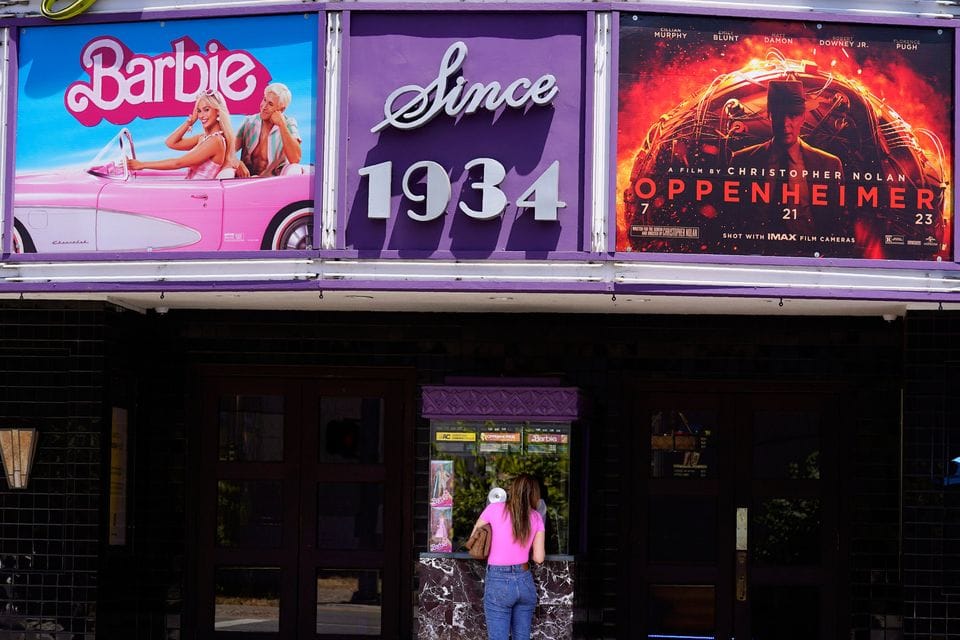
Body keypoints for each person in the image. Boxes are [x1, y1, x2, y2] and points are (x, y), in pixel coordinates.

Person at [731, 79, 843, 233]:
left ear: (803, 117)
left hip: (808, 253)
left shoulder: (829, 165)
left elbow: (835, 223)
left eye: (793, 115)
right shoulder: (741, 161)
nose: (785, 123)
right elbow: (734, 217)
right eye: (779, 115)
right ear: (770, 116)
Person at [471, 474, 546, 640]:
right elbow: (539, 558)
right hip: (525, 581)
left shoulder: (494, 509)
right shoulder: (536, 517)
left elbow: (474, 538)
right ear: (534, 494)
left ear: (512, 490)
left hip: (498, 581)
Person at [128, 89, 236, 179]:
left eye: (206, 110)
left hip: (197, 195)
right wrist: (190, 122)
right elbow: (171, 143)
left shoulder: (215, 141)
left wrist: (141, 164)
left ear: (217, 111)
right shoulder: (204, 138)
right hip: (190, 190)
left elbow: (178, 163)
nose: (202, 116)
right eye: (198, 111)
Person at [235, 82, 302, 177]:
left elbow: (295, 159)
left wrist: (282, 125)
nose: (264, 107)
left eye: (270, 104)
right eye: (264, 100)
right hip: (245, 181)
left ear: (281, 110)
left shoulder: (289, 123)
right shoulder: (249, 122)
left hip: (271, 184)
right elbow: (228, 150)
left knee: (295, 169)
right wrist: (237, 163)